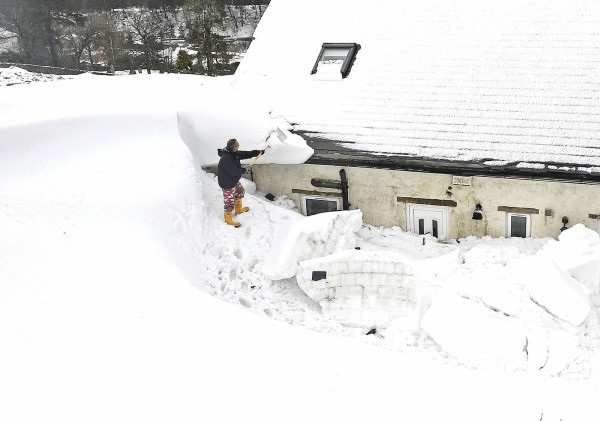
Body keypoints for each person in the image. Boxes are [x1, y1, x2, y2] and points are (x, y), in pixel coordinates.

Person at [217, 138, 264, 227]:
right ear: (234, 147)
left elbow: (246, 154)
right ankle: (228, 219)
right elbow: (233, 171)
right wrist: (244, 169)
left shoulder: (234, 153)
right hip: (227, 183)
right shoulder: (226, 158)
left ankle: (238, 210)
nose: (239, 146)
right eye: (238, 145)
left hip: (233, 180)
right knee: (229, 202)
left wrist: (258, 152)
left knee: (240, 191)